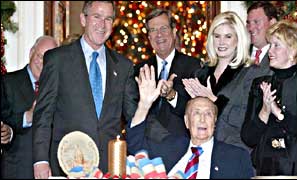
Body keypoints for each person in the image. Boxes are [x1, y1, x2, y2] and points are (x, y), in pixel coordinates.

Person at [32, 1, 138, 178]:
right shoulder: (58, 60)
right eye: (96, 17)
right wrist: (40, 161)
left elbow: (133, 117)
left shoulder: (123, 66)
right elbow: (43, 114)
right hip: (66, 164)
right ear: (83, 19)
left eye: (108, 19)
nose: (102, 25)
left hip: (109, 168)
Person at [127, 64, 254, 178]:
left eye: (208, 114)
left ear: (215, 122)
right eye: (196, 113)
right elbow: (135, 145)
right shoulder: (169, 147)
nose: (202, 119)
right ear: (187, 121)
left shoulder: (236, 157)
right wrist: (144, 104)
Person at [182, 11, 256, 150]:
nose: (221, 42)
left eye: (228, 36)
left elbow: (246, 121)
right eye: (217, 36)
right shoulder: (202, 73)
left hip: (235, 152)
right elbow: (187, 117)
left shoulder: (250, 74)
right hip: (202, 151)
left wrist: (214, 100)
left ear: (239, 39)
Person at [241, 20, 297, 176]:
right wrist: (265, 111)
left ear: (293, 51)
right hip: (265, 169)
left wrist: (278, 112)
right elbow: (248, 137)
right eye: (270, 45)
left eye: (276, 45)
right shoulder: (260, 84)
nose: (270, 51)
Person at [134, 9, 201, 139]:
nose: (159, 35)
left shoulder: (194, 66)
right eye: (153, 30)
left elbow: (198, 112)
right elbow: (131, 110)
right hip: (146, 144)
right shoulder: (140, 70)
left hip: (181, 144)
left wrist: (172, 96)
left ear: (174, 32)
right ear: (149, 37)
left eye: (163, 28)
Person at [1, 36, 57, 179]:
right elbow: (5, 124)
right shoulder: (8, 83)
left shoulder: (59, 88)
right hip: (17, 170)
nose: (42, 63)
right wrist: (28, 117)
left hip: (50, 171)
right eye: (39, 56)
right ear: (31, 53)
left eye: (48, 59)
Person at [246, 1, 277, 67]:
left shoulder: (280, 57)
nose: (250, 28)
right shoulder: (240, 56)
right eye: (248, 23)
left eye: (256, 22)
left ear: (272, 23)